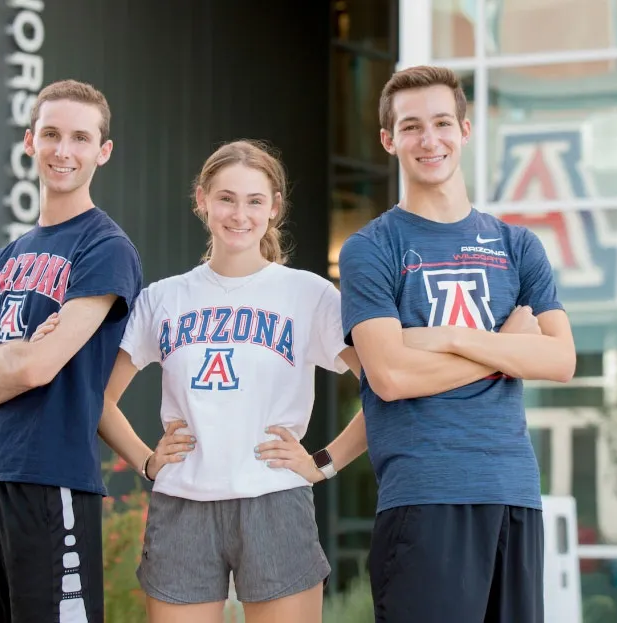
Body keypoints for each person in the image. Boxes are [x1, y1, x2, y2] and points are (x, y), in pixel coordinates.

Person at [33, 139, 367, 623]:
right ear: (202, 200)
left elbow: (382, 385)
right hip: (182, 504)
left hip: (274, 499)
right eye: (226, 198)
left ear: (274, 208)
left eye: (255, 201)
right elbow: (97, 398)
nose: (239, 214)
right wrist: (147, 461)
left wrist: (324, 463)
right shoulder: (163, 299)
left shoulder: (308, 295)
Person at [337, 65, 577, 623]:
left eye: (443, 122)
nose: (429, 140)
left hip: (513, 489)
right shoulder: (371, 248)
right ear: (388, 139)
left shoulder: (518, 246)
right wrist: (502, 347)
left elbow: (561, 359)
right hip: (425, 492)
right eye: (412, 126)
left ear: (465, 130)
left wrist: (447, 338)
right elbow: (391, 378)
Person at [0, 79, 142, 623]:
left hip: (53, 480)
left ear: (103, 151)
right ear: (30, 142)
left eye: (80, 137)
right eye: (51, 134)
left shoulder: (104, 248)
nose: (63, 150)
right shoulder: (7, 257)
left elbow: (39, 365)